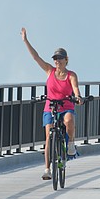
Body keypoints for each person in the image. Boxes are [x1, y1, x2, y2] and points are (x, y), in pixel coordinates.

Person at [21, 27, 83, 180]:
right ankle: (47, 169)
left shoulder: (71, 75)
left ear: (66, 59)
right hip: (50, 106)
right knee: (49, 136)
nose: (57, 61)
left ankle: (70, 145)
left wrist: (78, 97)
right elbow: (36, 57)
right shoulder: (49, 71)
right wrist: (25, 40)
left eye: (60, 58)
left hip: (66, 105)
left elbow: (75, 88)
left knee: (69, 120)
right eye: (55, 58)